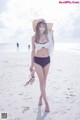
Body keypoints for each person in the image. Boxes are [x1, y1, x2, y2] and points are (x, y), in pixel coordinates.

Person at [29, 19, 54, 112]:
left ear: (45, 27)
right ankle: (46, 103)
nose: (42, 28)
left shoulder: (48, 35)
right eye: (40, 26)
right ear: (37, 27)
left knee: (44, 81)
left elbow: (52, 46)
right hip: (37, 61)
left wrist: (52, 35)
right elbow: (32, 51)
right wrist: (31, 65)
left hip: (47, 60)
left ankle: (40, 98)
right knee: (42, 82)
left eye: (43, 26)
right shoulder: (34, 37)